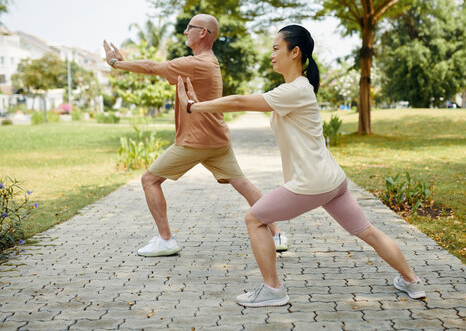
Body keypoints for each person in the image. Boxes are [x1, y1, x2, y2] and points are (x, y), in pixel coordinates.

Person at [176, 25, 426, 307]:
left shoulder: (295, 90)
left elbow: (239, 101)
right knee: (367, 230)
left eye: (275, 48)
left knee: (254, 219)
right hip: (332, 180)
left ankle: (273, 290)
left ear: (294, 52)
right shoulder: (295, 89)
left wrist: (193, 107)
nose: (271, 54)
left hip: (313, 183)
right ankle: (411, 281)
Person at [103, 14, 288, 256]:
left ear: (203, 33)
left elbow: (152, 67)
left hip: (195, 141)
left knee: (149, 180)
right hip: (217, 141)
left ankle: (166, 239)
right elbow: (157, 68)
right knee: (242, 183)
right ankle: (277, 235)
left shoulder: (197, 63)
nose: (184, 32)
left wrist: (117, 63)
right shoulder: (208, 62)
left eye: (189, 28)